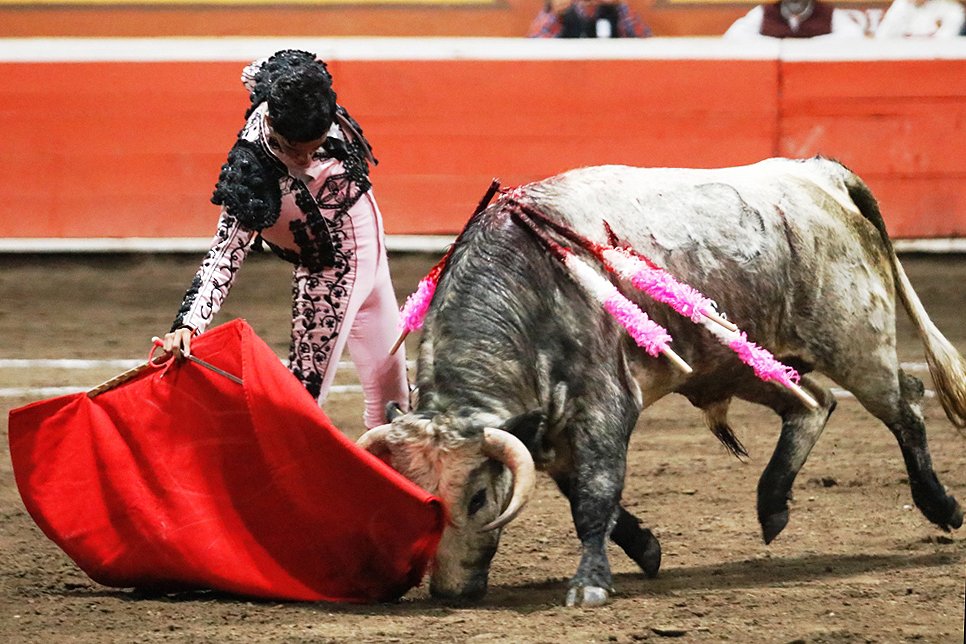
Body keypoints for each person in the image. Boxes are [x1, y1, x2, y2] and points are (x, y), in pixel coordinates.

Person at [157, 49, 409, 429]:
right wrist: (188, 323)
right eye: (293, 149)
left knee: (395, 402)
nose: (305, 159)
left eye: (315, 145)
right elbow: (226, 252)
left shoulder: (309, 96)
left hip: (373, 248)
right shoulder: (253, 165)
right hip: (328, 274)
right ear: (272, 122)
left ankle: (389, 467)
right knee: (300, 402)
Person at [723, 0, 866, 38]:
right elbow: (733, 35)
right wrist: (775, 45)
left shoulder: (828, 13)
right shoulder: (765, 12)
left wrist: (812, 45)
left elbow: (855, 35)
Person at [527, 0, 652, 38]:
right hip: (569, 79)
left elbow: (647, 45)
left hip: (611, 79)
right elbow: (533, 48)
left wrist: (618, 4)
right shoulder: (561, 9)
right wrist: (554, 13)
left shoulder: (617, 9)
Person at [875, 0, 965, 38]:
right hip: (904, 64)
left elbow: (945, 45)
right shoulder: (901, 6)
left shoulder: (952, 10)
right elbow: (882, 37)